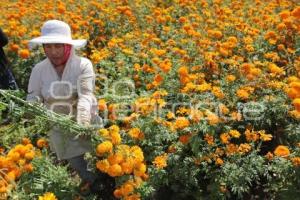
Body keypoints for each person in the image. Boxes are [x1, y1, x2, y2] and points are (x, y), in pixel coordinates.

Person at [27, 20, 100, 195]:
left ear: (67, 46)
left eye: (58, 46)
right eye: (48, 47)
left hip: (86, 121)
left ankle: (106, 185)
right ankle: (93, 190)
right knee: (80, 166)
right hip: (59, 127)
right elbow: (33, 97)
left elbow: (85, 96)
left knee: (100, 160)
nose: (53, 52)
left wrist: (82, 123)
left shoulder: (83, 65)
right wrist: (30, 111)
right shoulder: (39, 70)